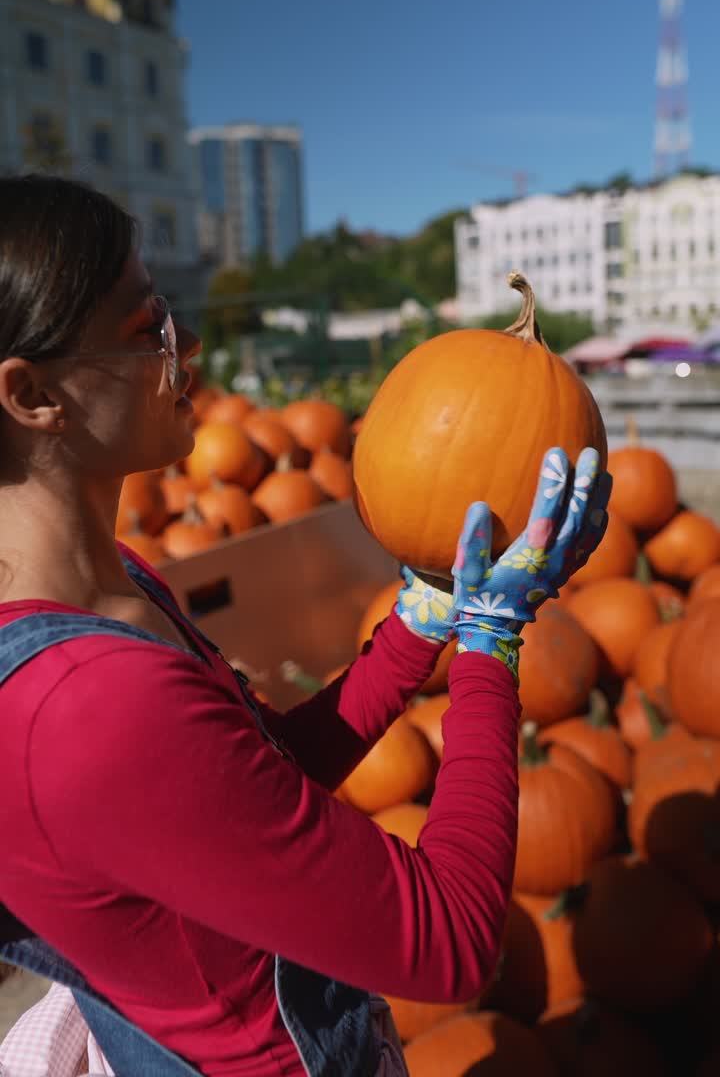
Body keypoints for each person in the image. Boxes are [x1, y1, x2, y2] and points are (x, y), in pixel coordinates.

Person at [0, 175, 611, 1077]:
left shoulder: (113, 587)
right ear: (31, 395)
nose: (191, 344)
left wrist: (419, 627)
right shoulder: (88, 707)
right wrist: (489, 647)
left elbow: (264, 777)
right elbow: (448, 942)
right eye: (148, 330)